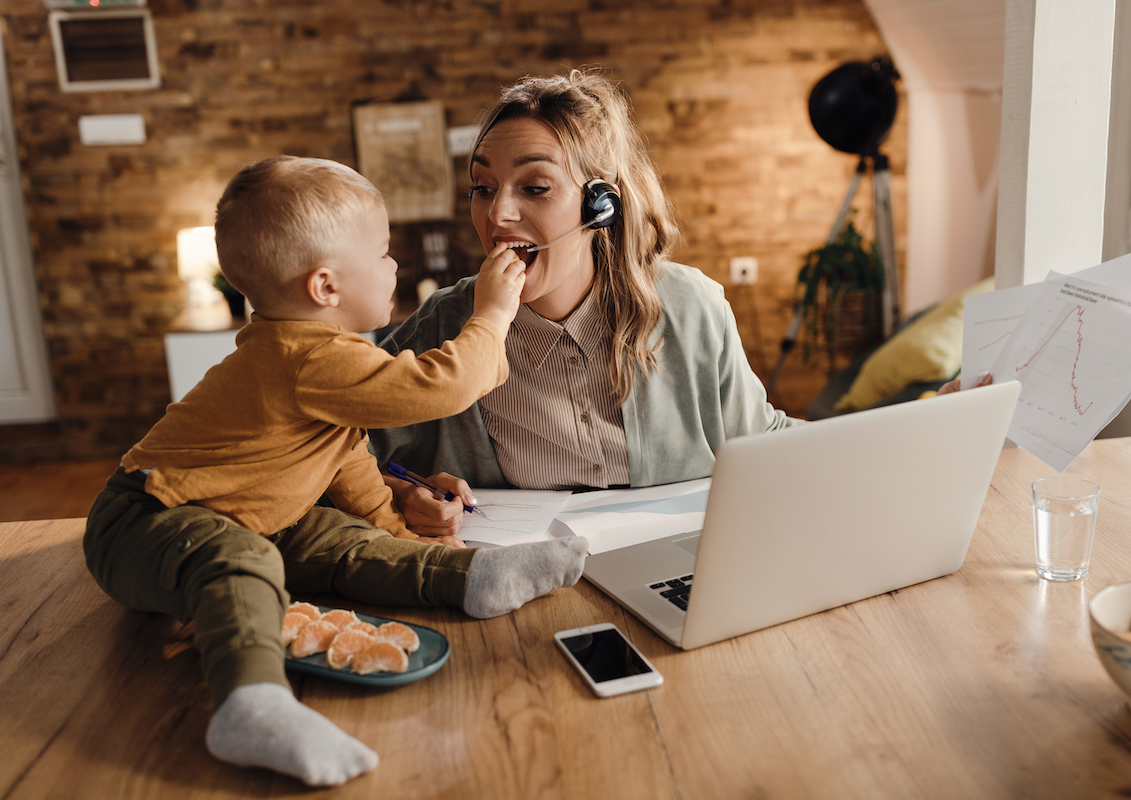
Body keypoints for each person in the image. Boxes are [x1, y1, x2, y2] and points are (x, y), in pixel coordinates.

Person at [82, 155, 588, 787]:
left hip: (245, 515)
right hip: (144, 520)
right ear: (326, 287)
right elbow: (445, 385)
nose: (394, 264)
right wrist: (491, 314)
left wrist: (399, 536)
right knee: (240, 563)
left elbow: (353, 471)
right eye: (381, 253)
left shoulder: (326, 361)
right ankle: (250, 703)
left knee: (337, 535)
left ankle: (466, 575)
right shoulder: (307, 359)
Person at [370, 70, 802, 538]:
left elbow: (762, 440)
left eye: (535, 187)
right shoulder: (446, 322)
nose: (497, 214)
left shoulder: (690, 305)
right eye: (483, 187)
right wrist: (399, 493)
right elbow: (336, 450)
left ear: (600, 208)